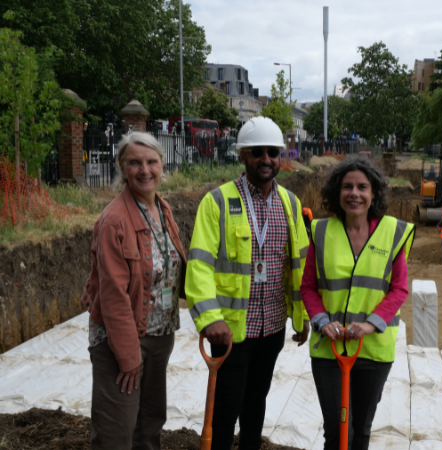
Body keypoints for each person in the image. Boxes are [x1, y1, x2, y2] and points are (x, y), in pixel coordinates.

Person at [185, 116, 310, 450]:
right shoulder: (218, 202)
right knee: (227, 408)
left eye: (272, 152)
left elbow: (300, 266)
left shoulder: (291, 204)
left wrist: (302, 316)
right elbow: (199, 266)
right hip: (231, 330)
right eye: (257, 152)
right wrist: (210, 319)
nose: (266, 159)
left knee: (257, 402)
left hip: (271, 327)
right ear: (242, 155)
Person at [301, 158, 415, 450]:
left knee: (360, 432)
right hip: (329, 351)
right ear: (337, 193)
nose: (355, 193)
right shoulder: (321, 232)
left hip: (374, 351)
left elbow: (399, 288)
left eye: (362, 187)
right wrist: (322, 322)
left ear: (373, 193)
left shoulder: (392, 233)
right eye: (347, 186)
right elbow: (309, 287)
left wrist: (369, 324)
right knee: (338, 433)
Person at [82, 132, 186, 450]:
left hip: (159, 334)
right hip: (123, 341)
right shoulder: (114, 220)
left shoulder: (163, 210)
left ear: (161, 165)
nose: (144, 170)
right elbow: (113, 296)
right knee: (117, 430)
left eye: (151, 162)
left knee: (150, 424)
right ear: (122, 168)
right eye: (135, 163)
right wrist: (128, 356)